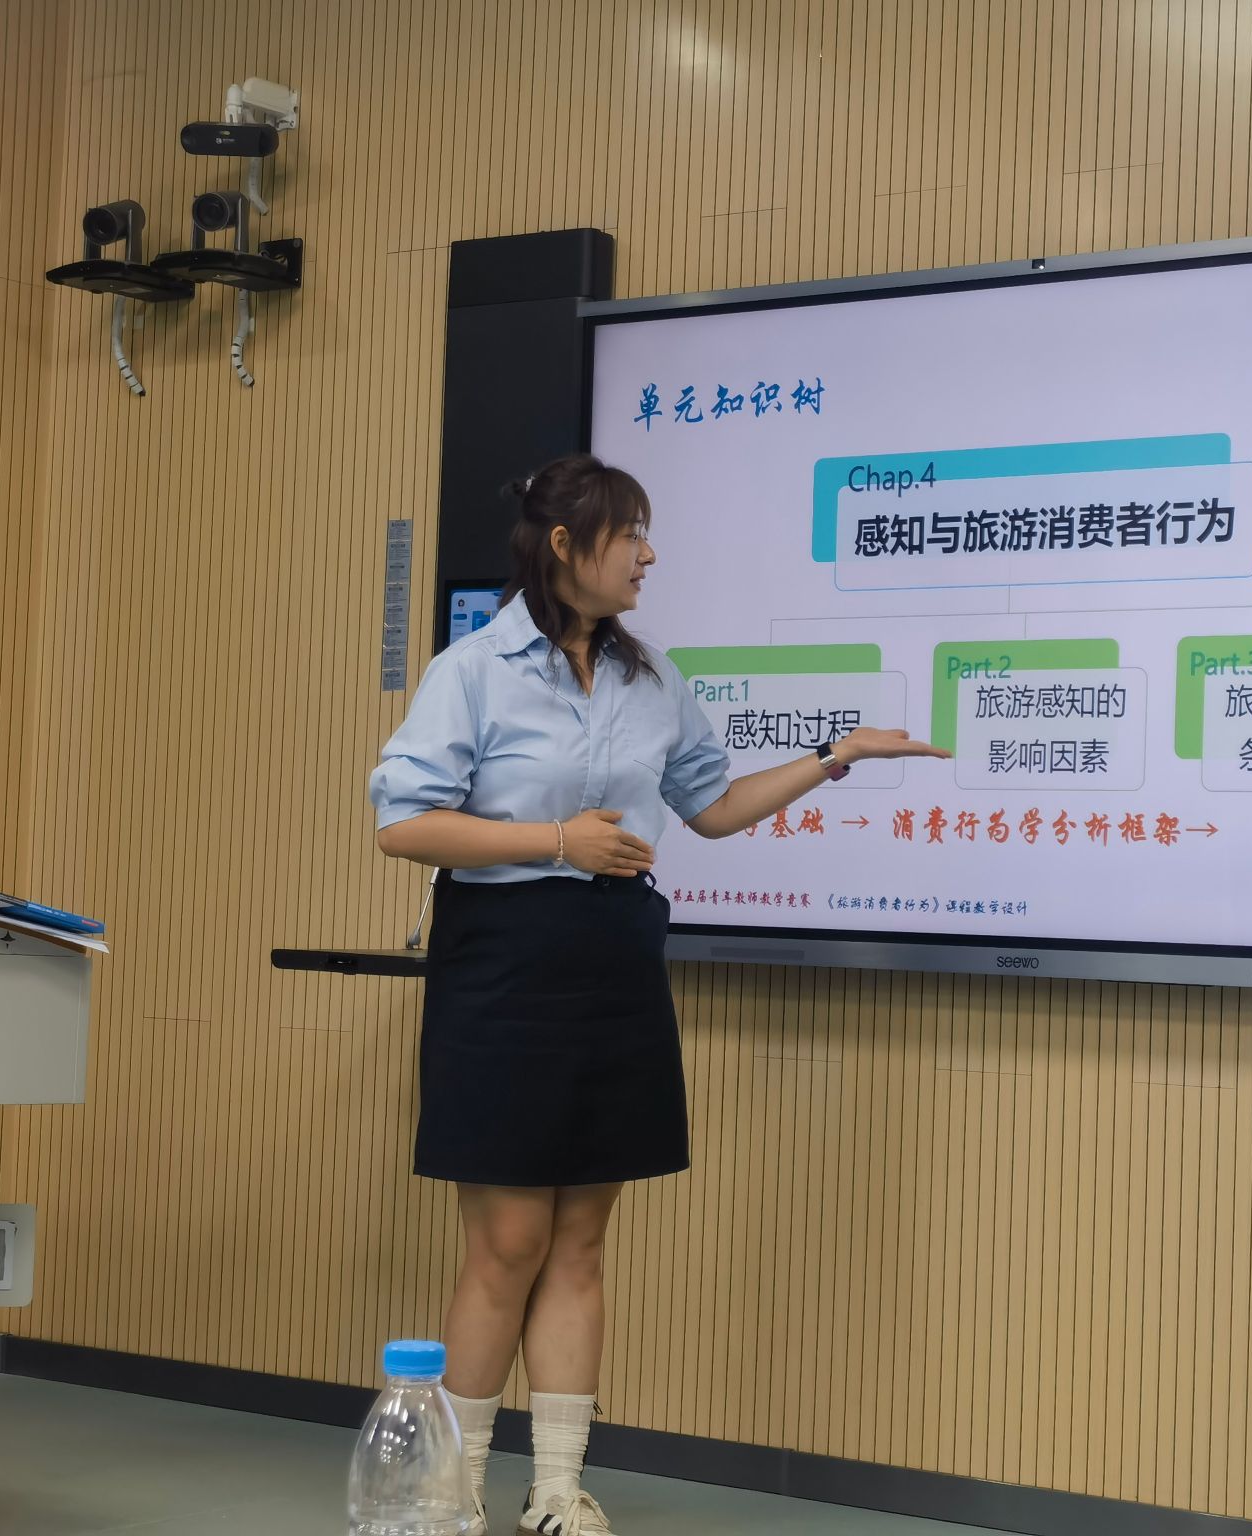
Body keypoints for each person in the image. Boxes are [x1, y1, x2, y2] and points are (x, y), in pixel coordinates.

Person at [368, 453, 946, 1535]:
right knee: (505, 1245)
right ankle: (450, 1494)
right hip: (502, 964)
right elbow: (403, 824)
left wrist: (835, 756)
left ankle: (555, 1490)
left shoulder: (650, 678)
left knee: (580, 1245)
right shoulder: (474, 670)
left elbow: (712, 808)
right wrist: (555, 840)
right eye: (628, 533)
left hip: (614, 963)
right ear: (562, 545)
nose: (648, 555)